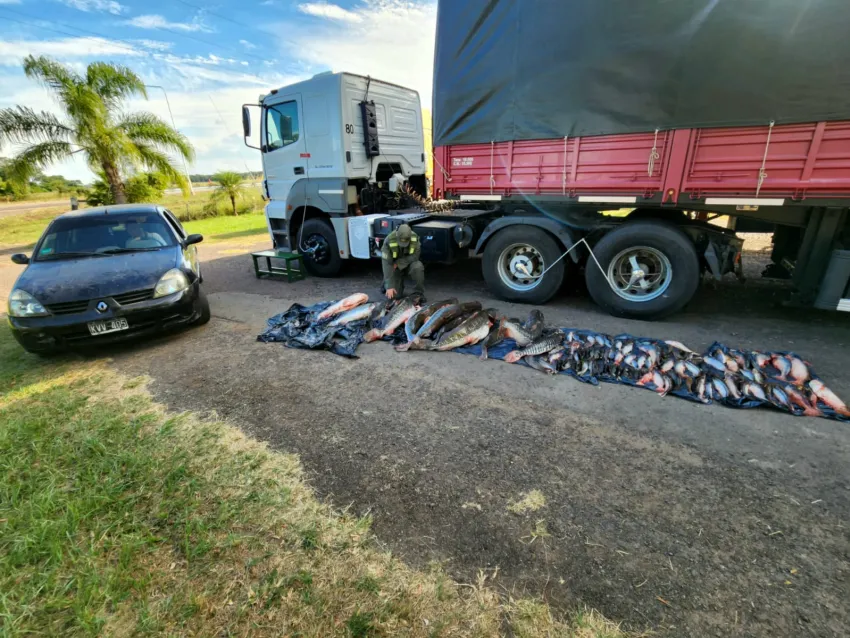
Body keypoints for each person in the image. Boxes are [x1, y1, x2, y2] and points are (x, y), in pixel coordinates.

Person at [381, 223, 425, 301]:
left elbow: (415, 256)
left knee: (418, 266)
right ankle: (386, 284)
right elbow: (387, 264)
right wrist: (390, 286)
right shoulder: (388, 240)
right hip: (393, 268)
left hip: (408, 264)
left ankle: (418, 293)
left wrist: (398, 263)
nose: (403, 245)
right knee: (395, 296)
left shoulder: (415, 238)